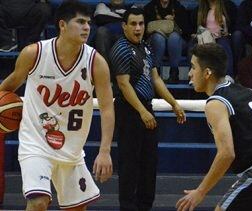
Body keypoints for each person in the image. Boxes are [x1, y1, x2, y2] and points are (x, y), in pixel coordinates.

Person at [0, 1, 115, 210]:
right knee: (38, 202)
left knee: (77, 208)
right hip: (36, 143)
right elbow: (7, 87)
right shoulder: (33, 54)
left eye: (88, 23)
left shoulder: (96, 62)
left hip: (72, 149)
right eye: (80, 22)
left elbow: (107, 108)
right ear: (62, 25)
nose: (87, 27)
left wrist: (105, 151)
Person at [176, 43, 252, 211]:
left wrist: (200, 191)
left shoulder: (216, 103)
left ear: (207, 73)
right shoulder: (247, 91)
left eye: (193, 67)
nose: (190, 73)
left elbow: (227, 153)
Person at [110, 7, 186, 210]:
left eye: (141, 24)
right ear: (124, 26)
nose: (138, 28)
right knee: (130, 167)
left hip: (146, 109)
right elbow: (124, 84)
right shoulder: (121, 48)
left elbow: (155, 78)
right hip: (129, 110)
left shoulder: (145, 47)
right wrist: (142, 112)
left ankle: (145, 207)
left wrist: (174, 103)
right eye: (133, 24)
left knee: (148, 165)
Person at [144, 0, 191, 83]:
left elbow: (187, 31)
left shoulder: (178, 7)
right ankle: (156, 73)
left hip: (176, 45)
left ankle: (174, 73)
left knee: (174, 37)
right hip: (156, 43)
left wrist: (175, 20)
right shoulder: (149, 7)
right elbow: (145, 32)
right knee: (158, 38)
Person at [190, 0, 236, 77]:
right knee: (192, 46)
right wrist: (195, 34)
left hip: (221, 37)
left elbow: (235, 25)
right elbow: (192, 27)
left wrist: (228, 32)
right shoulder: (199, 9)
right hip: (204, 37)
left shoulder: (228, 6)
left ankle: (227, 76)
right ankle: (194, 76)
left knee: (224, 45)